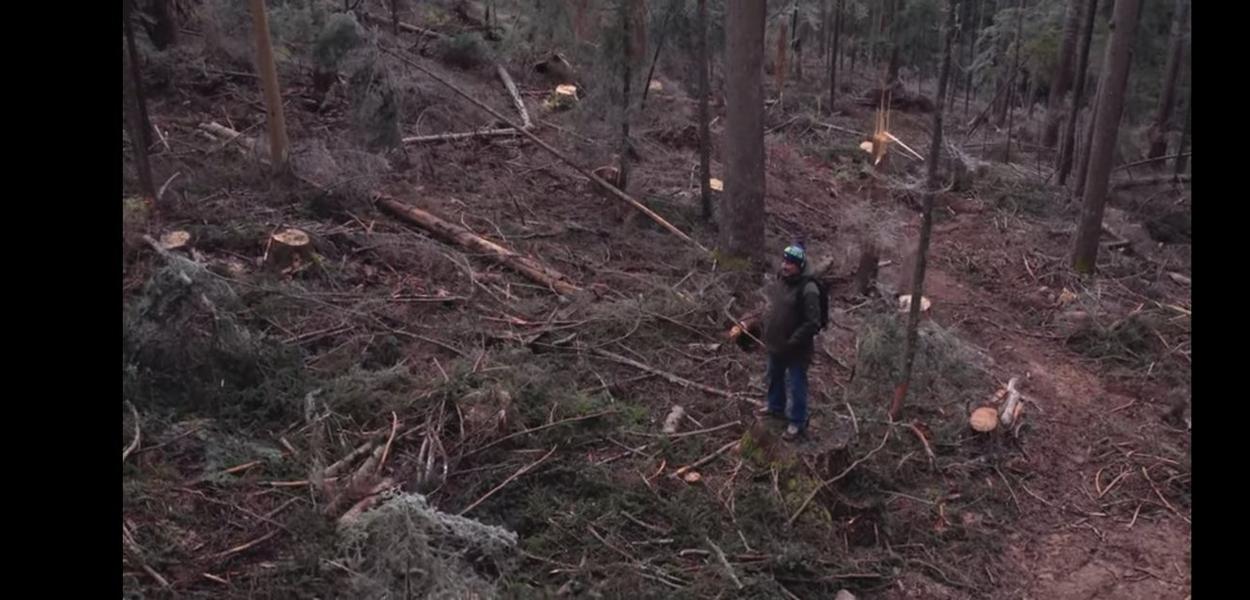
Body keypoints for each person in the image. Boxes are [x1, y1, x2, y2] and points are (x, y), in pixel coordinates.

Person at [758, 242, 821, 440]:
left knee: (796, 384)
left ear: (800, 266)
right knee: (774, 376)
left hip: (796, 349)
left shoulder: (809, 289)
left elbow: (813, 323)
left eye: (791, 263)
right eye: (785, 261)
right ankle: (776, 408)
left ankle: (797, 422)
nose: (785, 265)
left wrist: (793, 341)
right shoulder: (782, 279)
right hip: (776, 343)